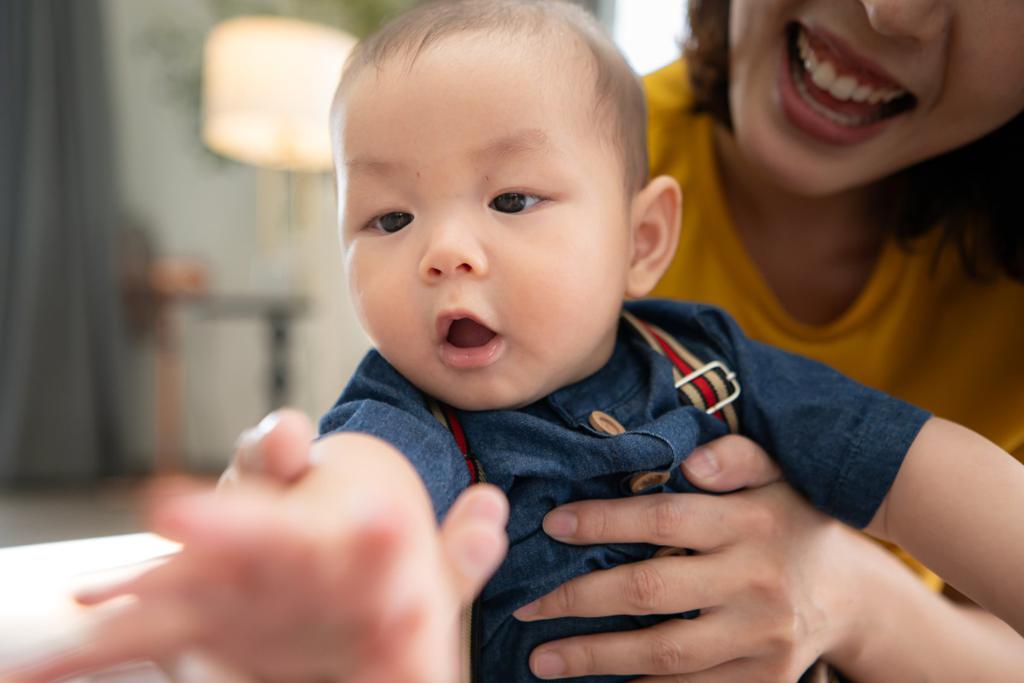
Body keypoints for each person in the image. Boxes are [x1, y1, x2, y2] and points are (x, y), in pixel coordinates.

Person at [5, 2, 1023, 682]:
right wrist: (321, 549)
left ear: (641, 240)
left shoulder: (709, 363)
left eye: (510, 199)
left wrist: (868, 593)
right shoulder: (409, 413)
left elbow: (915, 467)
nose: (445, 249)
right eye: (389, 219)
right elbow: (365, 484)